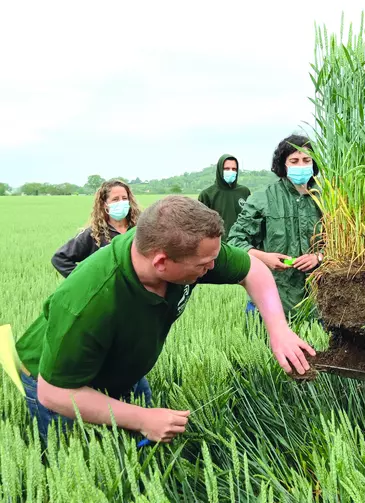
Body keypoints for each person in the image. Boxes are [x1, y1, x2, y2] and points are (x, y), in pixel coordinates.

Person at [16, 196, 314, 443]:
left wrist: (279, 330)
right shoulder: (88, 301)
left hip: (123, 368)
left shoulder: (189, 248)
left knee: (143, 455)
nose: (214, 267)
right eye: (204, 264)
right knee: (82, 459)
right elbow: (54, 392)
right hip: (63, 381)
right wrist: (143, 418)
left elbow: (252, 269)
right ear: (161, 263)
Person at [228, 134, 323, 317]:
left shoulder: (328, 199)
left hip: (318, 301)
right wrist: (264, 257)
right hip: (272, 296)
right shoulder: (263, 198)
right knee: (263, 345)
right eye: (294, 161)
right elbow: (234, 241)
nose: (301, 165)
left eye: (306, 160)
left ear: (314, 163)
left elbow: (345, 247)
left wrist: (318, 257)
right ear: (283, 164)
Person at [51, 179, 140, 277]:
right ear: (104, 204)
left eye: (124, 198)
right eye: (115, 199)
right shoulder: (94, 233)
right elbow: (60, 258)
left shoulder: (139, 230)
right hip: (109, 291)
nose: (121, 202)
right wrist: (87, 279)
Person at [197, 154, 251, 235]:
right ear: (219, 170)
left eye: (234, 169)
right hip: (219, 244)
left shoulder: (244, 192)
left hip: (241, 243)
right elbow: (200, 226)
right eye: (226, 169)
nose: (231, 171)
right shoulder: (207, 195)